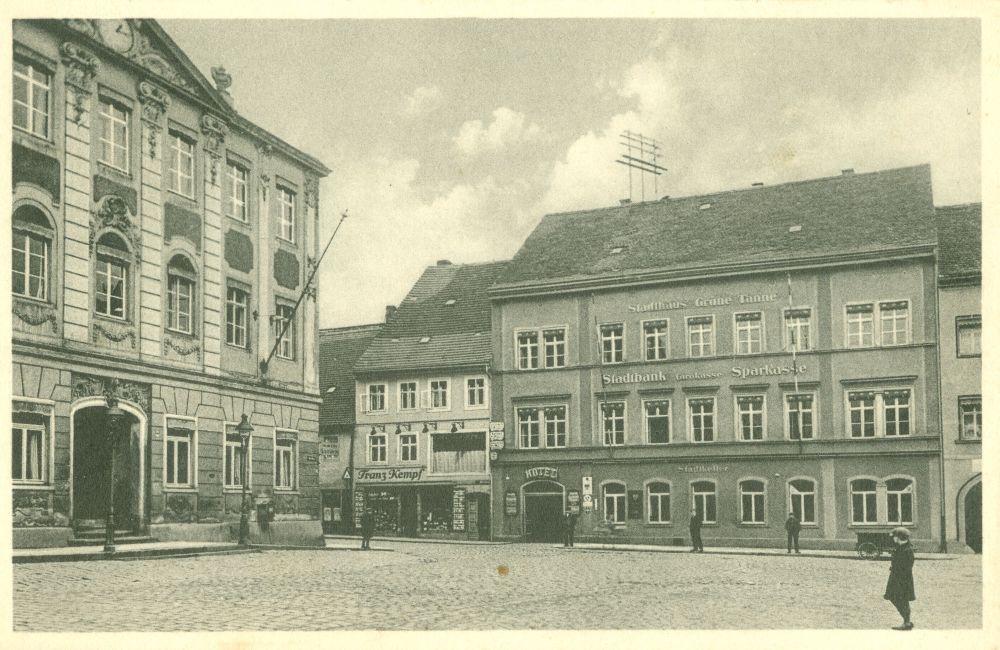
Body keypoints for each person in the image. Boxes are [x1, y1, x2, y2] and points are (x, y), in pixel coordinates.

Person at [884, 526, 916, 630]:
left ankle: (906, 622)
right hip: (897, 578)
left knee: (900, 599)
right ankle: (906, 621)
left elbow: (906, 566)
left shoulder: (907, 550)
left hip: (901, 579)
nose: (893, 539)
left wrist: (896, 570)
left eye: (894, 537)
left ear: (899, 537)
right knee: (897, 598)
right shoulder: (902, 547)